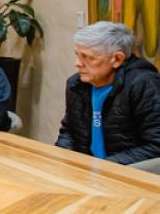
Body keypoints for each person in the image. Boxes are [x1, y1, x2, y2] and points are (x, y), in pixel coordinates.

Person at [56, 21, 160, 165]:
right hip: (85, 173)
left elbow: (155, 146)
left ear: (117, 59)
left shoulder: (144, 85)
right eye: (78, 55)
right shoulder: (76, 84)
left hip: (127, 173)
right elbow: (69, 132)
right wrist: (64, 162)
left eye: (88, 57)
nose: (77, 63)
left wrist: (101, 168)